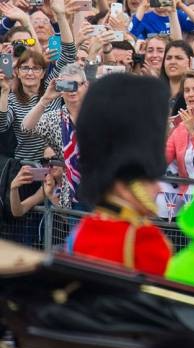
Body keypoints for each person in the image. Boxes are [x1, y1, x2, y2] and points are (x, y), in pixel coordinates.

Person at [67, 74, 172, 276]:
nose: (158, 188)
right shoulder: (144, 240)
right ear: (124, 185)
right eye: (148, 181)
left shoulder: (83, 231)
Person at [0, 0, 76, 160]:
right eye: (25, 68)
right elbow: (1, 126)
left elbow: (69, 54)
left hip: (58, 163)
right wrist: (5, 91)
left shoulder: (53, 87)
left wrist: (61, 16)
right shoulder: (11, 99)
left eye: (35, 68)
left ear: (43, 72)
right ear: (17, 72)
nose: (30, 73)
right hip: (25, 168)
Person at [22, 63, 88, 208]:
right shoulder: (55, 118)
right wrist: (45, 99)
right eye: (67, 85)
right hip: (72, 194)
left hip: (103, 191)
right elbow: (26, 128)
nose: (72, 91)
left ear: (86, 85)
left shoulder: (100, 112)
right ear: (60, 88)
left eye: (76, 85)